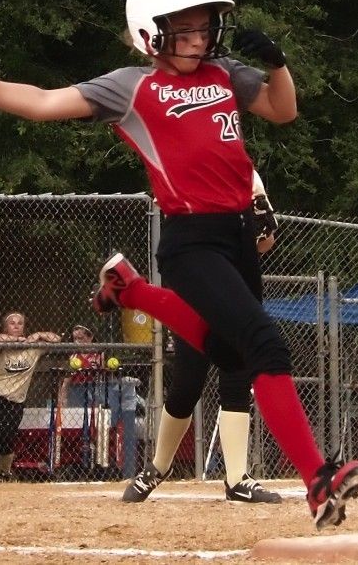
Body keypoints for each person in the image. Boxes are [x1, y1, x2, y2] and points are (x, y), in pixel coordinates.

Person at [0, 0, 358, 527]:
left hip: (236, 234)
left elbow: (284, 110)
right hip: (191, 240)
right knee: (265, 345)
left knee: (225, 351)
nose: (200, 37)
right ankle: (318, 480)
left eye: (204, 26)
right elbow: (41, 103)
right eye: (184, 28)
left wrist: (277, 63)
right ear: (149, 33)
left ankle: (130, 290)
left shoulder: (226, 72)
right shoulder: (130, 86)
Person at [96, 170, 281, 504]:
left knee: (237, 380)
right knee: (187, 382)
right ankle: (157, 467)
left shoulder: (245, 175)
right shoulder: (181, 171)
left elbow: (266, 242)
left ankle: (237, 478)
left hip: (237, 289)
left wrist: (252, 231)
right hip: (194, 293)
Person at [0, 311, 61, 481]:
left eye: (20, 323)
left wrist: (38, 335)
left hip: (15, 399)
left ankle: (6, 472)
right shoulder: (2, 345)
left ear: (24, 327)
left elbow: (56, 339)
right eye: (12, 323)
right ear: (5, 327)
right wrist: (16, 340)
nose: (16, 326)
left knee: (6, 434)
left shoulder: (33, 348)